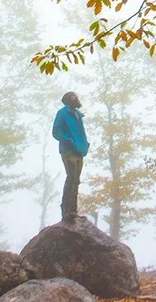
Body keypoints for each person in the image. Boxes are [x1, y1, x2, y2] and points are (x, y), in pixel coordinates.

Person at [52, 91, 89, 221]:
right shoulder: (62, 113)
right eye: (74, 96)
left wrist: (85, 145)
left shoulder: (78, 115)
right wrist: (69, 141)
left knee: (76, 180)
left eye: (77, 96)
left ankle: (73, 211)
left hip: (79, 151)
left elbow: (81, 133)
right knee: (71, 177)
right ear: (68, 99)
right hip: (68, 150)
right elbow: (56, 131)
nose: (77, 98)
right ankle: (66, 211)